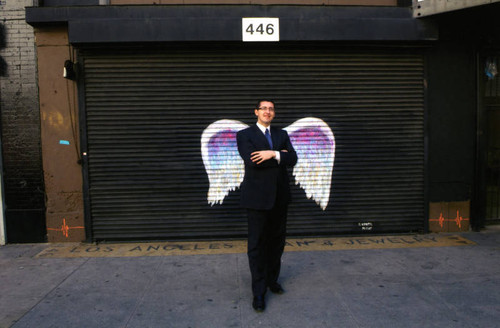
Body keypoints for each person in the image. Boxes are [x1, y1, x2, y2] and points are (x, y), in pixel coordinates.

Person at [236, 100, 298, 312]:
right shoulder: (244, 135)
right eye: (263, 108)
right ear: (256, 112)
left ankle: (272, 280)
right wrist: (281, 156)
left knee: (276, 243)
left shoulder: (282, 134)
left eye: (271, 109)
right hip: (256, 199)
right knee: (257, 246)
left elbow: (294, 159)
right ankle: (259, 291)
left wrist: (273, 154)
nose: (267, 111)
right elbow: (253, 161)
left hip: (280, 199)